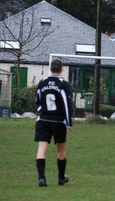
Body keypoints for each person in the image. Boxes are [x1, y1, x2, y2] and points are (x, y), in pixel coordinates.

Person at [34, 59, 73, 187]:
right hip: (58, 121)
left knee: (42, 149)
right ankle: (61, 178)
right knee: (61, 149)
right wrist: (69, 123)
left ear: (50, 68)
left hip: (43, 120)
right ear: (62, 70)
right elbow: (66, 104)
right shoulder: (63, 84)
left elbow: (37, 99)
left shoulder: (42, 82)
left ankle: (42, 178)